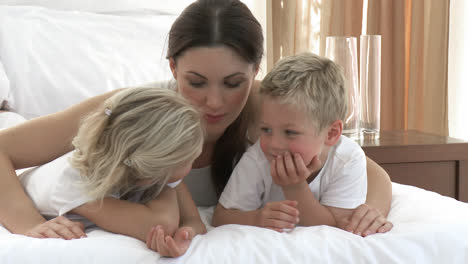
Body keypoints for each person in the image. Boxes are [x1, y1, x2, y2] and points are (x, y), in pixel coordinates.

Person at [0, 0, 391, 250]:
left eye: (234, 83)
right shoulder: (131, 114)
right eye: (196, 83)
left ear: (256, 71)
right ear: (173, 67)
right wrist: (29, 226)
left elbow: (368, 169)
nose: (215, 102)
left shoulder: (271, 115)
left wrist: (367, 212)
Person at [15, 87, 206, 256]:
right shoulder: (77, 183)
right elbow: (160, 225)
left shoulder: (157, 172)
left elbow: (193, 221)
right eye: (190, 159)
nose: (193, 163)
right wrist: (168, 193)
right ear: (154, 170)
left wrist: (186, 234)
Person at [213, 52, 371, 232]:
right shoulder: (258, 158)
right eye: (266, 130)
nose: (274, 144)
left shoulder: (348, 159)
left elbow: (336, 227)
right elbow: (221, 216)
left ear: (331, 134)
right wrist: (256, 218)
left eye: (290, 132)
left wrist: (295, 187)